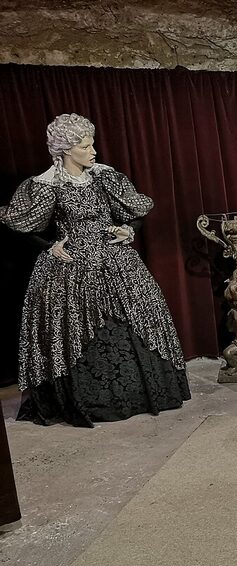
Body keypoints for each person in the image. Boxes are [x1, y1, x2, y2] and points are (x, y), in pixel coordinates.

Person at [0, 113, 190, 427]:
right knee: (74, 328)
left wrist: (128, 231)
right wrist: (48, 245)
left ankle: (140, 395)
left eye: (92, 144)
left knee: (138, 318)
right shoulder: (47, 185)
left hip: (117, 261)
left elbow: (136, 210)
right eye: (86, 146)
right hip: (70, 267)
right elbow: (19, 224)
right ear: (65, 150)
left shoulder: (105, 177)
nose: (93, 151)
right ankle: (88, 400)